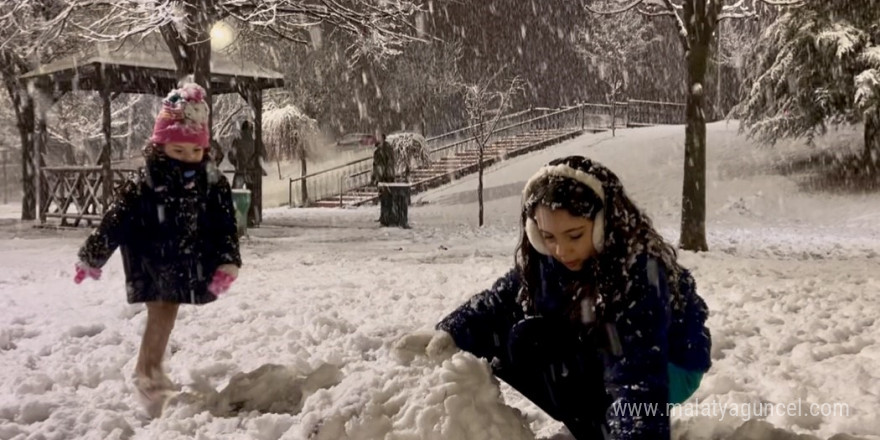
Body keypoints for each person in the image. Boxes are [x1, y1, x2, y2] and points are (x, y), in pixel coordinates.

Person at [395, 156, 711, 439]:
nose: (561, 250)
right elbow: (499, 302)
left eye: (574, 235)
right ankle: (594, 419)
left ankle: (599, 428)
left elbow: (637, 369)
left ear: (604, 224)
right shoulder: (548, 260)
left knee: (542, 340)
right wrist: (451, 331)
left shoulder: (636, 271)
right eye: (548, 237)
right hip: (607, 344)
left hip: (670, 364)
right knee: (514, 336)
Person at [73, 81, 242, 418]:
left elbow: (225, 225)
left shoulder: (212, 182)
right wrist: (93, 254)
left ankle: (149, 369)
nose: (188, 158)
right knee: (161, 310)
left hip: (184, 258)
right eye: (178, 151)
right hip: (151, 258)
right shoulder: (146, 184)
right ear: (161, 146)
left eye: (195, 151)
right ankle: (148, 373)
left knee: (167, 312)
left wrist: (227, 260)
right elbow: (115, 221)